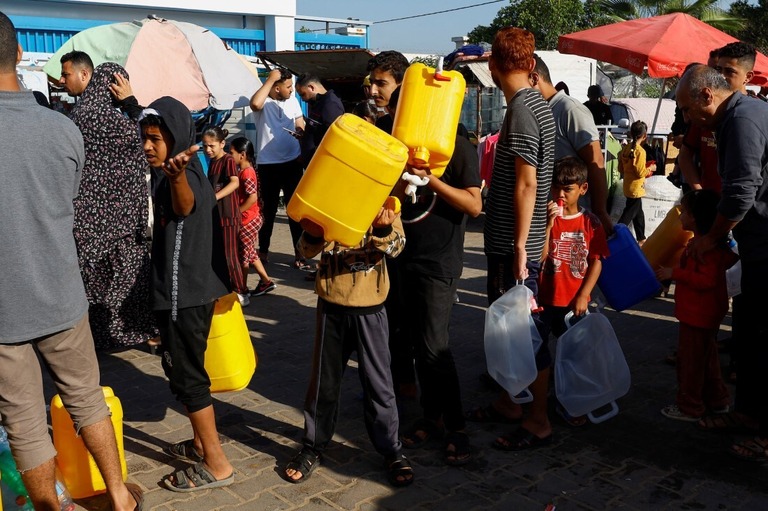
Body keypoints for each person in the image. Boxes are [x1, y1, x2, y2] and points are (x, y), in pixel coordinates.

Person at [0, 12, 143, 511]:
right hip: (63, 293)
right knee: (86, 397)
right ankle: (120, 493)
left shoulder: (71, 123)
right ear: (20, 55)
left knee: (23, 419)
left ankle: (52, 509)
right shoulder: (63, 129)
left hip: (5, 309)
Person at [139, 96, 235, 492]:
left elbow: (184, 207)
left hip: (185, 293)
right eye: (145, 137)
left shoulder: (183, 175)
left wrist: (175, 177)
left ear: (176, 138)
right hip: (193, 291)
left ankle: (216, 463)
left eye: (156, 139)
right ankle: (200, 445)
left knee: (187, 376)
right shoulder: (182, 167)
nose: (147, 145)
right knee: (187, 369)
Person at [283, 201, 413, 487]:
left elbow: (397, 247)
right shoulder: (326, 197)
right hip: (332, 307)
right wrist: (315, 233)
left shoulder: (385, 200)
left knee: (379, 385)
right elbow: (304, 250)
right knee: (323, 384)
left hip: (372, 308)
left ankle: (391, 449)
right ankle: (313, 445)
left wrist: (382, 227)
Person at [677, 64, 768, 461]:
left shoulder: (743, 120)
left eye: (687, 108)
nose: (687, 119)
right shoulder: (734, 117)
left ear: (705, 95)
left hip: (765, 239)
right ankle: (747, 413)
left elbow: (743, 189)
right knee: (749, 333)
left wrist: (712, 236)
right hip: (754, 242)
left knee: (764, 336)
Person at [477, 26, 556, 449]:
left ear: (493, 65)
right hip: (520, 240)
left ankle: (538, 420)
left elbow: (527, 184)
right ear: (529, 63)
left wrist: (523, 245)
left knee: (527, 333)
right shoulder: (536, 103)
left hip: (514, 244)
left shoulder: (523, 109)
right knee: (514, 331)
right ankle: (511, 402)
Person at [397, 125, 483, 465]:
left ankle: (457, 427)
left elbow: (474, 206)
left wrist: (430, 179)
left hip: (440, 263)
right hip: (405, 257)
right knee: (418, 343)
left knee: (436, 347)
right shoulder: (403, 144)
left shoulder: (459, 148)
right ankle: (431, 417)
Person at [68, 61, 157, 350]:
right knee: (128, 273)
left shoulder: (76, 117)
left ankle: (95, 336)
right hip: (123, 219)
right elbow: (151, 136)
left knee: (92, 276)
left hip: (87, 218)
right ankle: (130, 331)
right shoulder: (122, 122)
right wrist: (131, 103)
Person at [536, 156, 609, 430]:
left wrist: (584, 294)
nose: (561, 195)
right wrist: (546, 225)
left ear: (583, 189)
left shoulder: (590, 223)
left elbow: (597, 260)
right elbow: (540, 258)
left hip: (574, 304)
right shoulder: (545, 217)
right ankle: (539, 402)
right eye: (557, 188)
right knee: (539, 352)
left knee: (575, 356)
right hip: (544, 301)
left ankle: (571, 402)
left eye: (568, 189)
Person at [656, 190, 736, 421]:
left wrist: (675, 273)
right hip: (702, 314)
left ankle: (690, 406)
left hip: (698, 315)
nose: (680, 215)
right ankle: (718, 400)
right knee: (707, 359)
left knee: (690, 363)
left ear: (696, 218)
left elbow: (707, 280)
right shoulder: (704, 244)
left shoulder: (705, 250)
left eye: (685, 211)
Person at [529, 54, 613, 232]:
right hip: (549, 222)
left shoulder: (569, 110)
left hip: (575, 226)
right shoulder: (537, 112)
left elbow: (595, 161)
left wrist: (600, 212)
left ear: (535, 78)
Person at [248, 68, 307, 269]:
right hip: (268, 164)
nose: (292, 90)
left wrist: (300, 133)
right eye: (288, 86)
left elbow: (301, 123)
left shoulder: (292, 101)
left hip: (292, 163)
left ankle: (300, 254)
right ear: (276, 87)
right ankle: (263, 251)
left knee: (294, 211)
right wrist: (270, 78)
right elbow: (254, 103)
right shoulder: (264, 101)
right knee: (269, 211)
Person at [201, 126, 248, 306]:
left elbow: (235, 183)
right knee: (219, 256)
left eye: (211, 146)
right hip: (216, 216)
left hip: (228, 216)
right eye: (205, 146)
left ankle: (242, 291)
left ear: (222, 144)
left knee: (230, 256)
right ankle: (227, 289)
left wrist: (214, 197)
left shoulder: (228, 160)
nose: (208, 150)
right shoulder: (212, 162)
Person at [228, 136, 276, 297]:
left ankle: (242, 289)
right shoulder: (245, 171)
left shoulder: (246, 173)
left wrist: (236, 212)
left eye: (232, 152)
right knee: (250, 253)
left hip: (249, 220)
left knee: (243, 256)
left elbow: (252, 198)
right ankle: (266, 281)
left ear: (242, 154)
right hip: (251, 218)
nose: (230, 156)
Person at [295, 73, 345, 163]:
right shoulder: (316, 103)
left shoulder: (330, 104)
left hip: (321, 163)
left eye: (303, 94)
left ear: (311, 87)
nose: (302, 99)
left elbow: (333, 139)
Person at [617, 120, 651, 244]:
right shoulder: (640, 152)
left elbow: (620, 168)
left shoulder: (626, 149)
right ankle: (616, 233)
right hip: (636, 188)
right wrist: (650, 169)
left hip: (628, 186)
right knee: (629, 213)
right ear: (645, 135)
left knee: (638, 213)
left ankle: (641, 237)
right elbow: (640, 172)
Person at [367, 50, 410, 133]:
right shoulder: (382, 124)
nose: (372, 92)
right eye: (371, 82)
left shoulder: (420, 125)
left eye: (381, 83)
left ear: (402, 83)